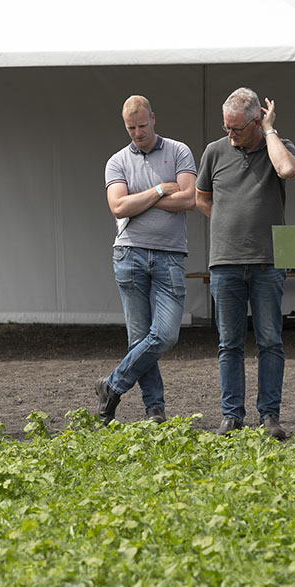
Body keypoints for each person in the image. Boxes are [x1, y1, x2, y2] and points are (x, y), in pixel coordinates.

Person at [196, 87, 295, 439]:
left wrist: (270, 131)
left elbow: (287, 170)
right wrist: (227, 225)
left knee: (270, 339)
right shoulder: (214, 151)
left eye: (237, 128)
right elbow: (201, 197)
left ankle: (269, 415)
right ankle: (231, 415)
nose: (230, 134)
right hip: (224, 261)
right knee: (229, 343)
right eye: (226, 127)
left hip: (269, 260)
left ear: (257, 121)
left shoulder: (277, 147)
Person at [95, 95, 197, 425]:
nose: (137, 133)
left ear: (153, 118)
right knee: (139, 338)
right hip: (129, 253)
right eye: (130, 128)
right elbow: (118, 207)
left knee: (165, 335)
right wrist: (157, 191)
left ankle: (112, 385)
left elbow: (189, 198)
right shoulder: (116, 161)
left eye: (141, 125)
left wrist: (139, 201)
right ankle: (155, 409)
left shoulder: (179, 151)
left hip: (169, 255)